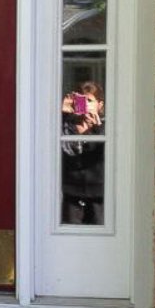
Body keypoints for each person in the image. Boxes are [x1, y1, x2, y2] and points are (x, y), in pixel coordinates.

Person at [61, 81, 105, 225]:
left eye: (90, 101)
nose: (86, 105)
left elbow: (105, 156)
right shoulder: (65, 126)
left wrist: (97, 130)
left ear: (100, 105)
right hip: (71, 192)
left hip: (98, 194)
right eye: (82, 100)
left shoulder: (106, 128)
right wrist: (60, 114)